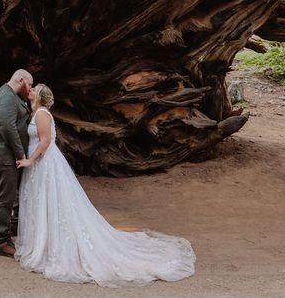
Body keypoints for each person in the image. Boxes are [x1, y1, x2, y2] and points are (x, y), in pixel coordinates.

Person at [14, 84, 195, 287]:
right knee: (43, 203)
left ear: (39, 96)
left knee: (52, 202)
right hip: (40, 165)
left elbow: (45, 141)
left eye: (34, 89)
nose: (30, 90)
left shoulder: (41, 115)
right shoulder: (37, 112)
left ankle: (49, 246)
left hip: (44, 164)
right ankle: (42, 241)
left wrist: (30, 161)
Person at [0, 69, 33, 257]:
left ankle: (12, 227)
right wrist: (20, 154)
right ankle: (2, 242)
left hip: (9, 156)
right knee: (5, 197)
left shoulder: (13, 96)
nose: (30, 89)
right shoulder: (7, 97)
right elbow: (7, 127)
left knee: (14, 194)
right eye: (28, 85)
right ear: (20, 80)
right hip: (4, 156)